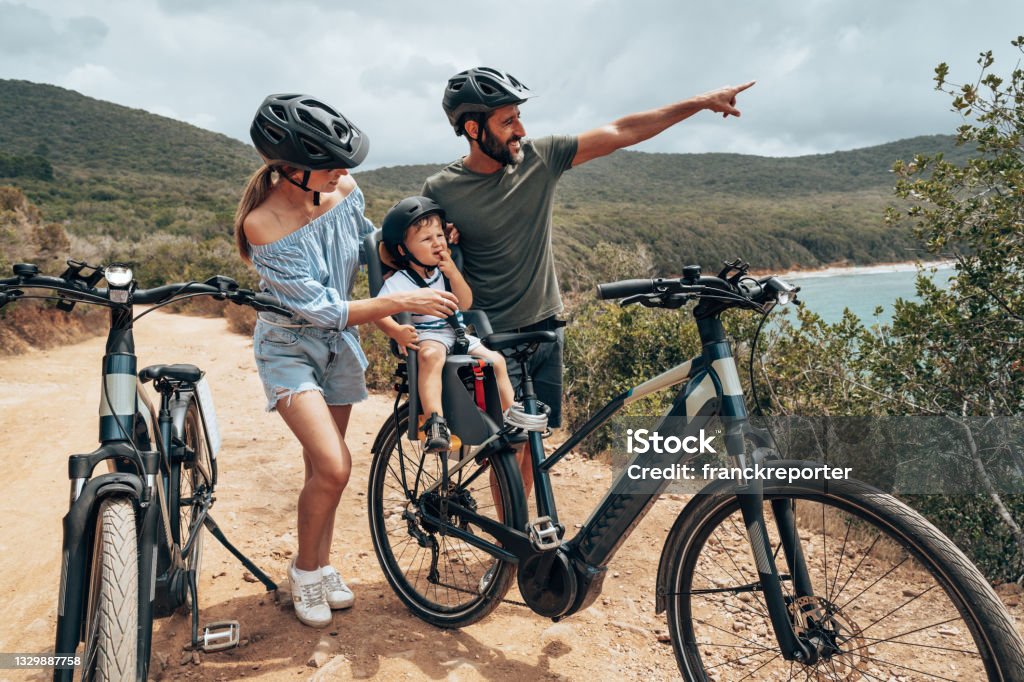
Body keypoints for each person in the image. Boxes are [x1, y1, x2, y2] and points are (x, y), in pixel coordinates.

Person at [422, 67, 754, 489]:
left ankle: (518, 538)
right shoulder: (441, 189)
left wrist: (701, 101)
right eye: (508, 121)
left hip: (546, 328)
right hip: (489, 338)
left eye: (519, 117)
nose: (520, 130)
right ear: (473, 128)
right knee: (510, 447)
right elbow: (409, 251)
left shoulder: (540, 158)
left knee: (535, 442)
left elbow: (621, 130)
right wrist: (441, 244)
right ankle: (511, 546)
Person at [236, 94, 460, 628]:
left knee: (323, 471)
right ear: (291, 167)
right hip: (290, 347)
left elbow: (364, 251)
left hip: (338, 348)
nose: (344, 172)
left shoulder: (343, 190)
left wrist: (417, 253)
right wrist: (399, 303)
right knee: (336, 465)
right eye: (331, 163)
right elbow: (324, 306)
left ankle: (318, 565)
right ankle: (304, 571)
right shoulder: (263, 224)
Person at [375, 195, 516, 452]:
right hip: (429, 335)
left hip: (456, 333)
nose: (437, 243)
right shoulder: (400, 281)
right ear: (402, 250)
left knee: (497, 361)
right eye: (427, 239)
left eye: (440, 236)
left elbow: (465, 304)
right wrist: (396, 331)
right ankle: (434, 423)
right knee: (430, 356)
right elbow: (378, 310)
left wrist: (453, 272)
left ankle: (511, 417)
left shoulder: (443, 273)